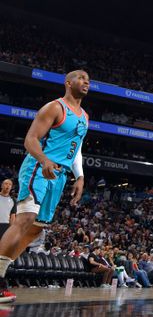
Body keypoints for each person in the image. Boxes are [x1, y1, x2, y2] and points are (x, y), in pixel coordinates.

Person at [0, 70, 91, 304]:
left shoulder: (85, 117)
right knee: (26, 219)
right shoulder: (54, 107)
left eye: (88, 79)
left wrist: (79, 176)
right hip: (39, 168)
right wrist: (43, 160)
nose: (86, 81)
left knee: (35, 230)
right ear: (68, 83)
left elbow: (76, 148)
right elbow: (30, 139)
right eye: (81, 78)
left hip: (59, 174)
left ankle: (1, 275)